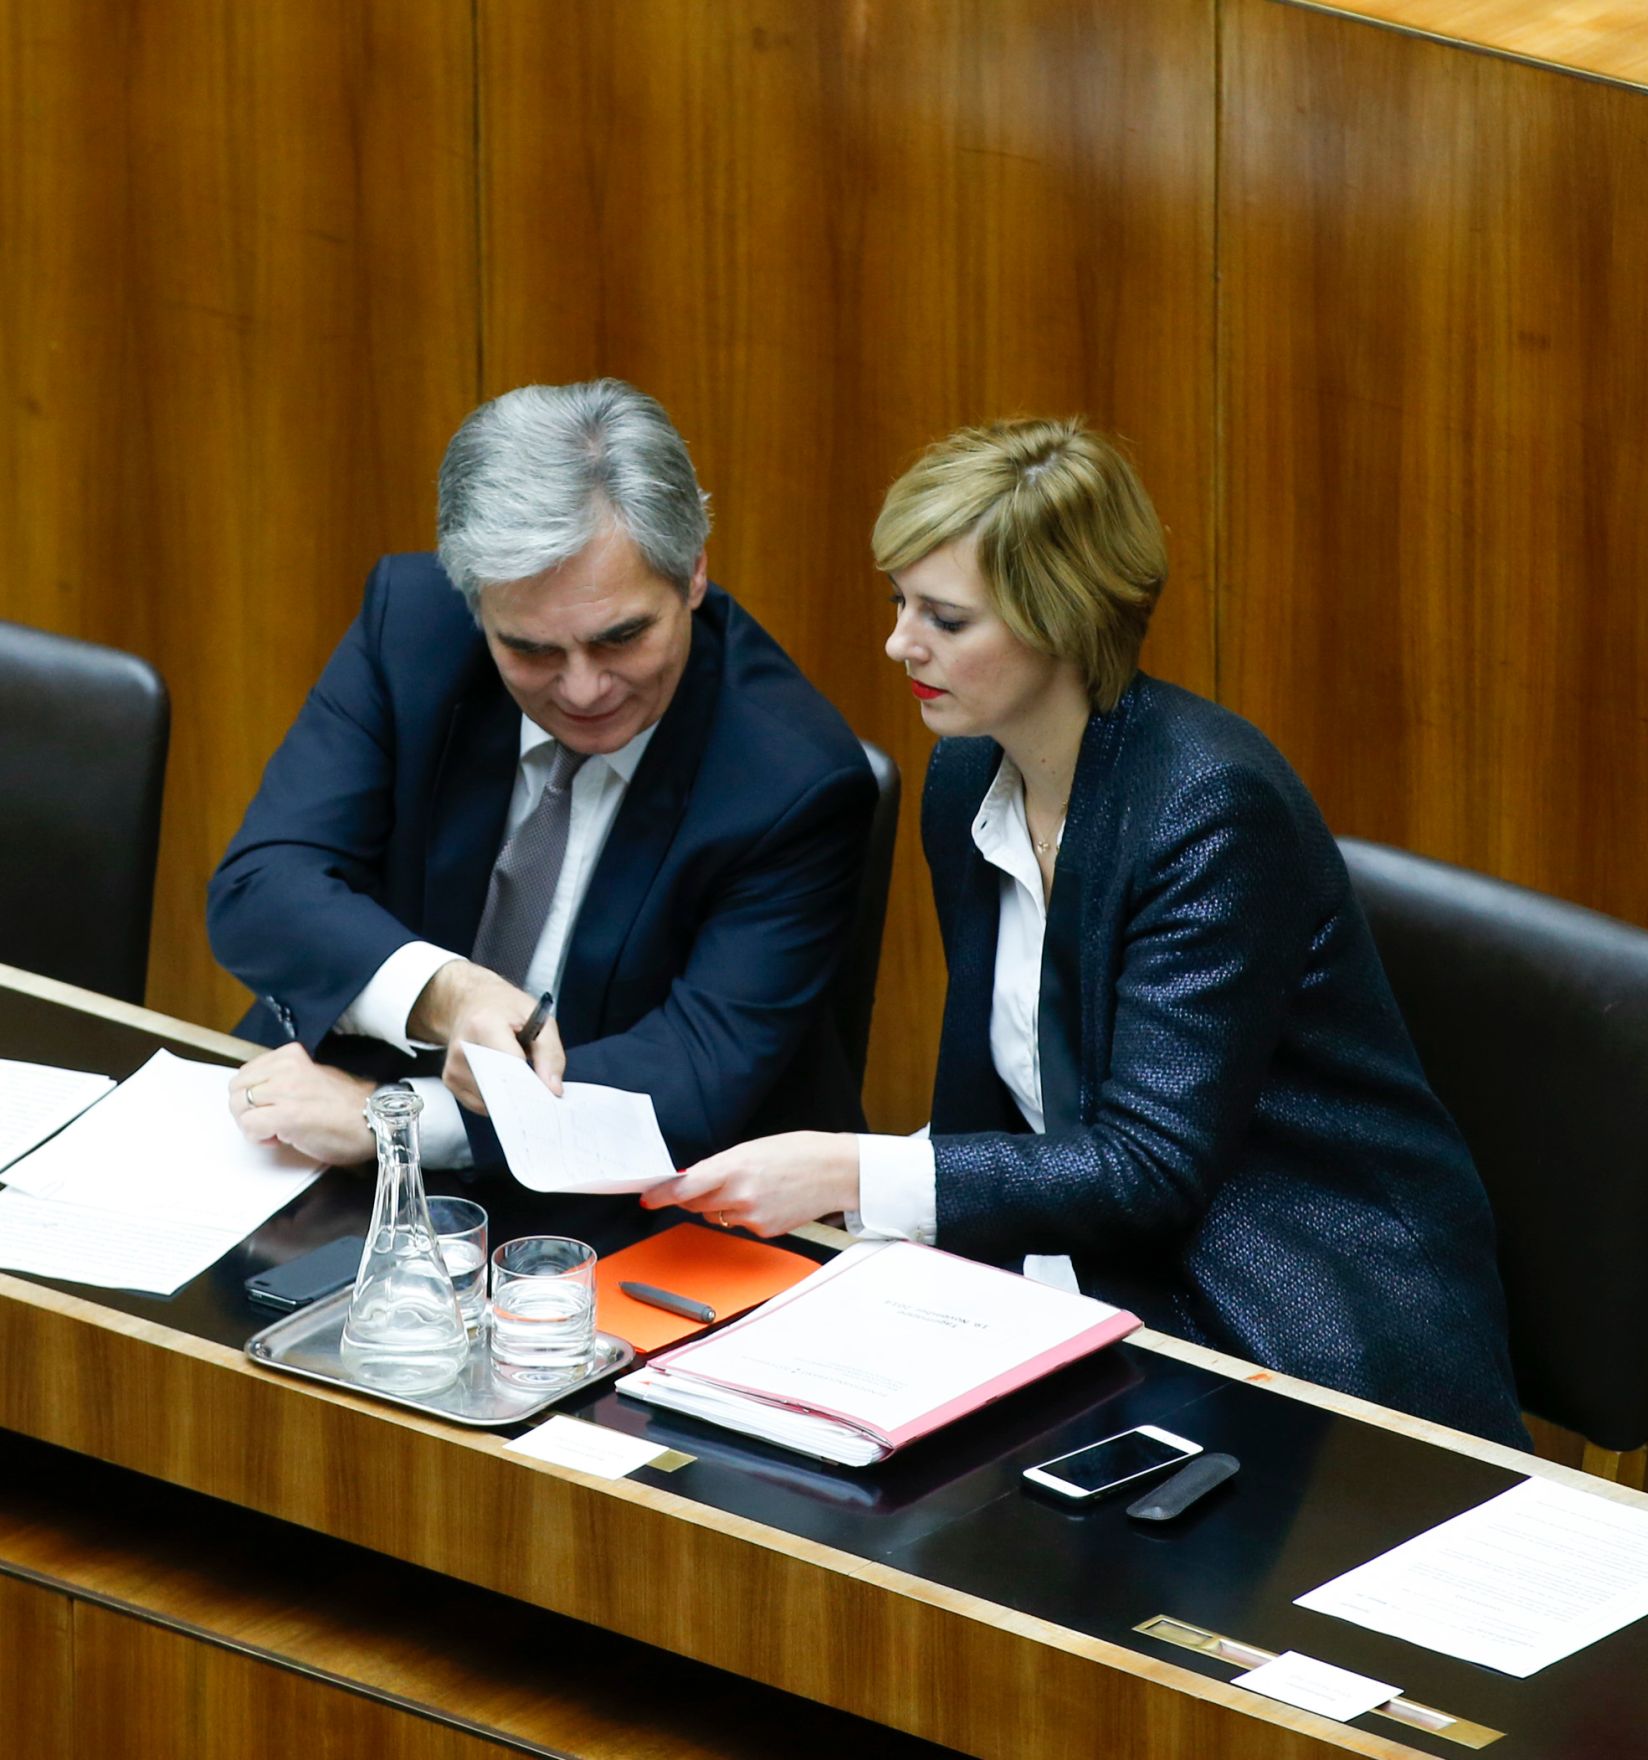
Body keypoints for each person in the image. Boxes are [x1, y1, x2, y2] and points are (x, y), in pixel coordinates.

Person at [647, 416, 1528, 1446]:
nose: (899, 643)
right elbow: (994, 1096)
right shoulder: (969, 771)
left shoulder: (1208, 806)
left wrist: (853, 1170)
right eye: (900, 603)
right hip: (1107, 1280)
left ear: (1057, 620)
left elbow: (1151, 1164)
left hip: (1294, 1310)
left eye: (945, 618)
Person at [211, 379, 876, 1244]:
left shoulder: (792, 775)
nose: (583, 688)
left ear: (694, 571)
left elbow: (693, 1077)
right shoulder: (411, 627)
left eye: (621, 637)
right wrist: (448, 995)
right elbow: (263, 884)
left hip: (633, 1208)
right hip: (320, 1139)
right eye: (529, 649)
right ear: (475, 603)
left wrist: (396, 1124)